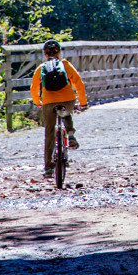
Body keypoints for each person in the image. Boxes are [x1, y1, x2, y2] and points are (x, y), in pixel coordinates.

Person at [30, 39, 88, 177]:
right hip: (68, 100)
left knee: (49, 133)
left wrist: (38, 101)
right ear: (60, 53)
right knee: (65, 111)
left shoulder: (41, 68)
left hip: (49, 103)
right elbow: (79, 84)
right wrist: (83, 102)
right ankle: (71, 134)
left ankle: (49, 168)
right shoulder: (65, 65)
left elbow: (33, 88)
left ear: (45, 54)